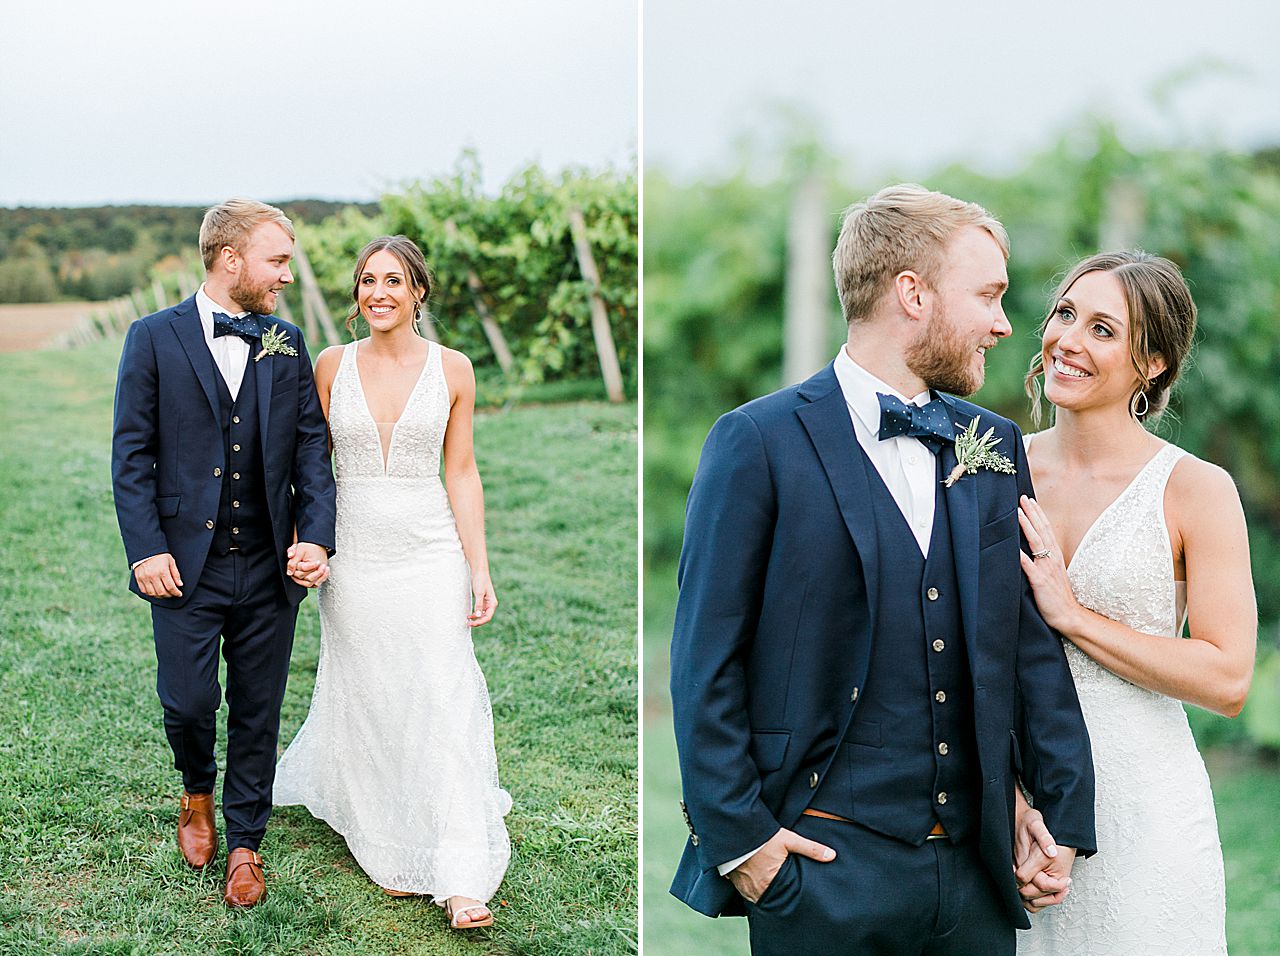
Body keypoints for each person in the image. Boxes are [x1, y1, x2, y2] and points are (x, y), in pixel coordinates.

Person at [668, 184, 1096, 955]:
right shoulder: (756, 442)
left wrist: (1060, 811)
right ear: (913, 294)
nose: (1004, 324)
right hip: (820, 872)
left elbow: (1024, 644)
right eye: (988, 296)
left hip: (974, 880)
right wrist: (746, 846)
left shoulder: (993, 443)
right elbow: (705, 659)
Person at [1013, 251, 1256, 955]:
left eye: (1102, 329)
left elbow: (1227, 678)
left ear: (1151, 362)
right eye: (1064, 314)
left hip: (1145, 812)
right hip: (1016, 809)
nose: (1067, 340)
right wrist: (1010, 805)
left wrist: (1073, 617)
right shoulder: (992, 469)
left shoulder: (1195, 490)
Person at [273, 235, 510, 931]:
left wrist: (479, 564)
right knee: (370, 686)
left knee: (441, 685)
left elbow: (461, 471)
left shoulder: (454, 369)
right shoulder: (328, 364)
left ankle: (461, 868)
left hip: (428, 547)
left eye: (394, 281)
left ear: (419, 293)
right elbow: (307, 465)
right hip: (353, 553)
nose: (378, 292)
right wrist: (303, 541)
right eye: (368, 280)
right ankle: (379, 825)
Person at [111, 198, 336, 908]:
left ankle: (245, 843)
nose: (287, 277)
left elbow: (311, 450)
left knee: (259, 707)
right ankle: (195, 792)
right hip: (181, 564)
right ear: (229, 258)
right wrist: (146, 548)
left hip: (269, 564)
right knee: (188, 700)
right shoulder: (152, 337)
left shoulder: (286, 343)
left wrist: (316, 535)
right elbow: (131, 453)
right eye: (278, 261)